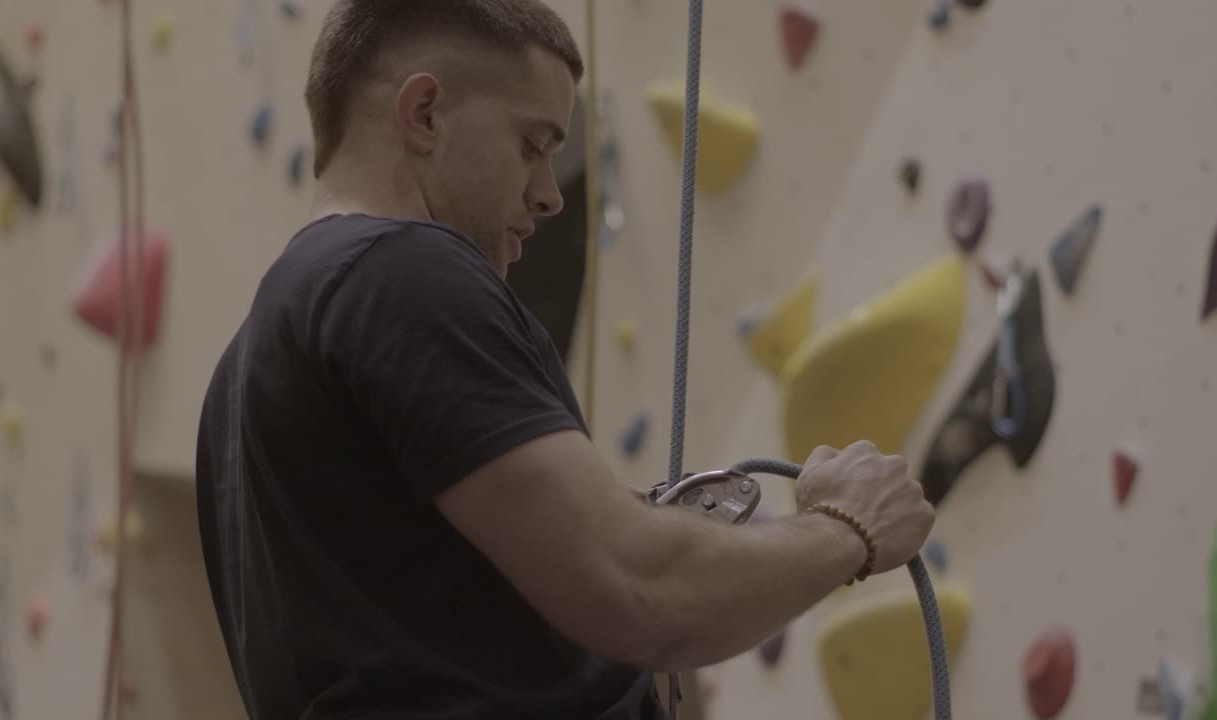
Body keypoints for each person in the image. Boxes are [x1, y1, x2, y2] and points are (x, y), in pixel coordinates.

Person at [193, 1, 937, 719]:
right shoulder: (402, 272)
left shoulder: (248, 362)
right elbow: (637, 592)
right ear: (424, 114)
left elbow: (433, 631)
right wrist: (849, 527)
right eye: (533, 144)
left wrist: (638, 527)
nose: (551, 196)